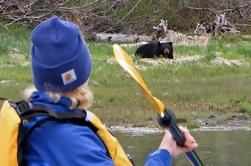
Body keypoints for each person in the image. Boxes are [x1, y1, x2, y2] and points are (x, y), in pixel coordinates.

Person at [22, 16, 198, 166]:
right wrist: (164, 152)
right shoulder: (75, 142)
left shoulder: (30, 121)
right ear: (84, 74)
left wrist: (166, 149)